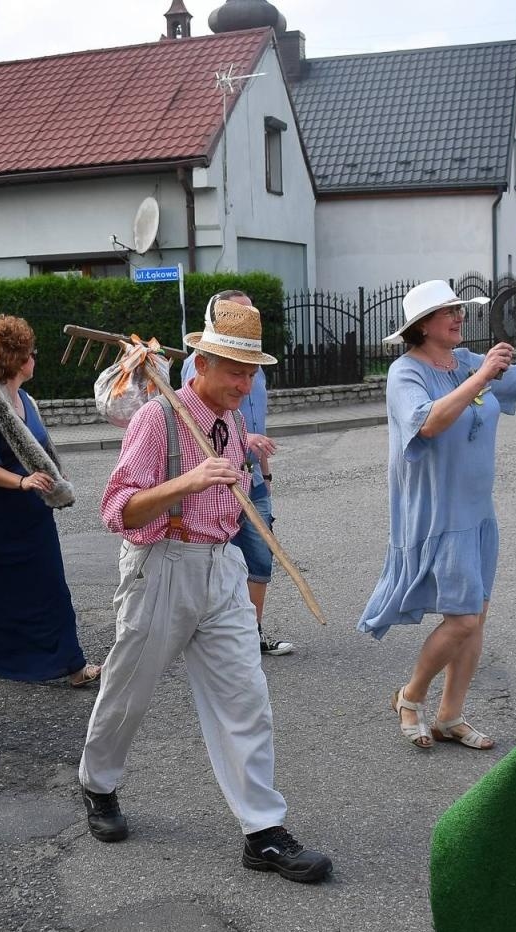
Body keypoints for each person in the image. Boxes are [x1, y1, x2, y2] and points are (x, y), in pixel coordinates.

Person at [77, 298, 332, 884]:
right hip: (161, 562)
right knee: (129, 691)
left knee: (245, 697)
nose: (246, 382)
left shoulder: (234, 422)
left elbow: (231, 493)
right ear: (202, 364)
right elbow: (116, 509)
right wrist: (187, 481)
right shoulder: (158, 418)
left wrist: (245, 465)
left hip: (222, 567)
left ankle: (262, 832)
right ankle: (98, 784)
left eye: (252, 371)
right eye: (236, 370)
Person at [358, 280, 516, 750]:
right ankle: (410, 696)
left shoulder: (466, 362)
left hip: (478, 513)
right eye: (449, 312)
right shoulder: (407, 373)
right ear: (422, 326)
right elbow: (428, 421)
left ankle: (450, 715)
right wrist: (481, 377)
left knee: (475, 618)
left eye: (459, 310)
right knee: (462, 619)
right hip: (439, 514)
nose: (459, 317)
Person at [0, 315, 101, 686]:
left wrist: (55, 476)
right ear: (18, 359)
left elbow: (39, 449)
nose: (34, 358)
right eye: (31, 352)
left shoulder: (25, 398)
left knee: (49, 584)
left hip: (30, 511)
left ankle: (72, 666)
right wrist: (23, 481)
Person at [181, 291, 293, 657]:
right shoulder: (200, 369)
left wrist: (267, 475)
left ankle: (249, 636)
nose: (244, 383)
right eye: (241, 313)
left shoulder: (251, 373)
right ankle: (207, 636)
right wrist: (243, 438)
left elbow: (252, 420)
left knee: (260, 558)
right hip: (218, 483)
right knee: (217, 560)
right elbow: (197, 428)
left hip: (253, 480)